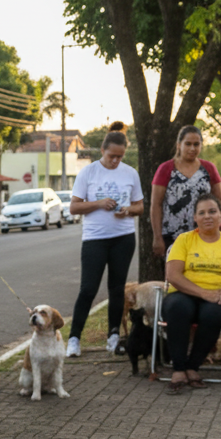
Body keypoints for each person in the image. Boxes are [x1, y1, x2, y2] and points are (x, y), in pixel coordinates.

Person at [66, 121, 145, 357]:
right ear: (102, 151)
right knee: (88, 289)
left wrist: (128, 210)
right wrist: (99, 203)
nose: (115, 161)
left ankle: (113, 336)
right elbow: (73, 207)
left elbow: (140, 206)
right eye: (112, 156)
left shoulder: (130, 173)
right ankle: (74, 338)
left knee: (117, 288)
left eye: (120, 157)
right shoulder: (88, 172)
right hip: (95, 239)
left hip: (123, 237)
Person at [161, 193, 221, 394]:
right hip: (184, 292)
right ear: (195, 218)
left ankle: (192, 367)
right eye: (201, 213)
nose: (207, 216)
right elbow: (173, 275)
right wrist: (203, 293)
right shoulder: (184, 240)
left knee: (214, 313)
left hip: (218, 295)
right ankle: (178, 369)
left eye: (212, 211)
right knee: (177, 308)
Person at [150, 125, 221, 260]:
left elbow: (219, 200)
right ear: (179, 145)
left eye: (196, 144)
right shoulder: (166, 169)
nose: (192, 148)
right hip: (172, 236)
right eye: (187, 144)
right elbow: (156, 205)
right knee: (174, 276)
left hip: (203, 234)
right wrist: (157, 237)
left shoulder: (208, 168)